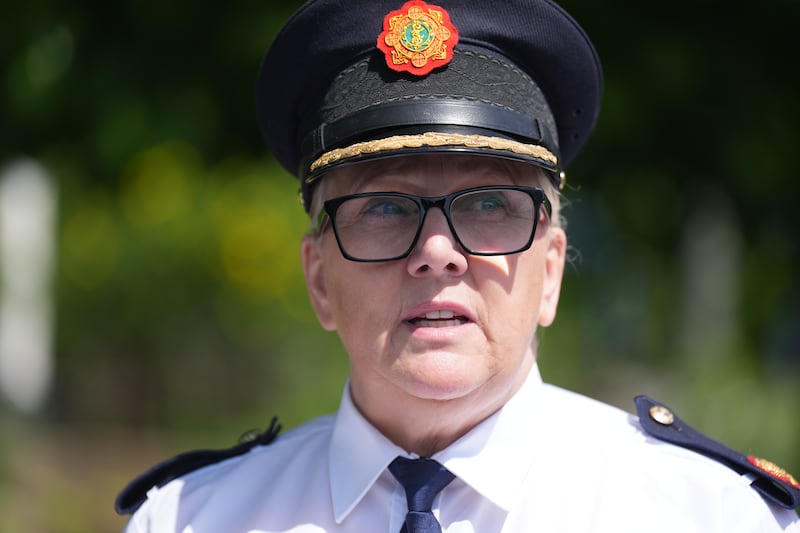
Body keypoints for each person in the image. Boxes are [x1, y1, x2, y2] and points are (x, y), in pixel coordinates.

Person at [116, 0, 800, 531]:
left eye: (487, 205)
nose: (437, 251)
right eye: (384, 208)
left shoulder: (706, 514)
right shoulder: (192, 518)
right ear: (319, 278)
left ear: (551, 268)